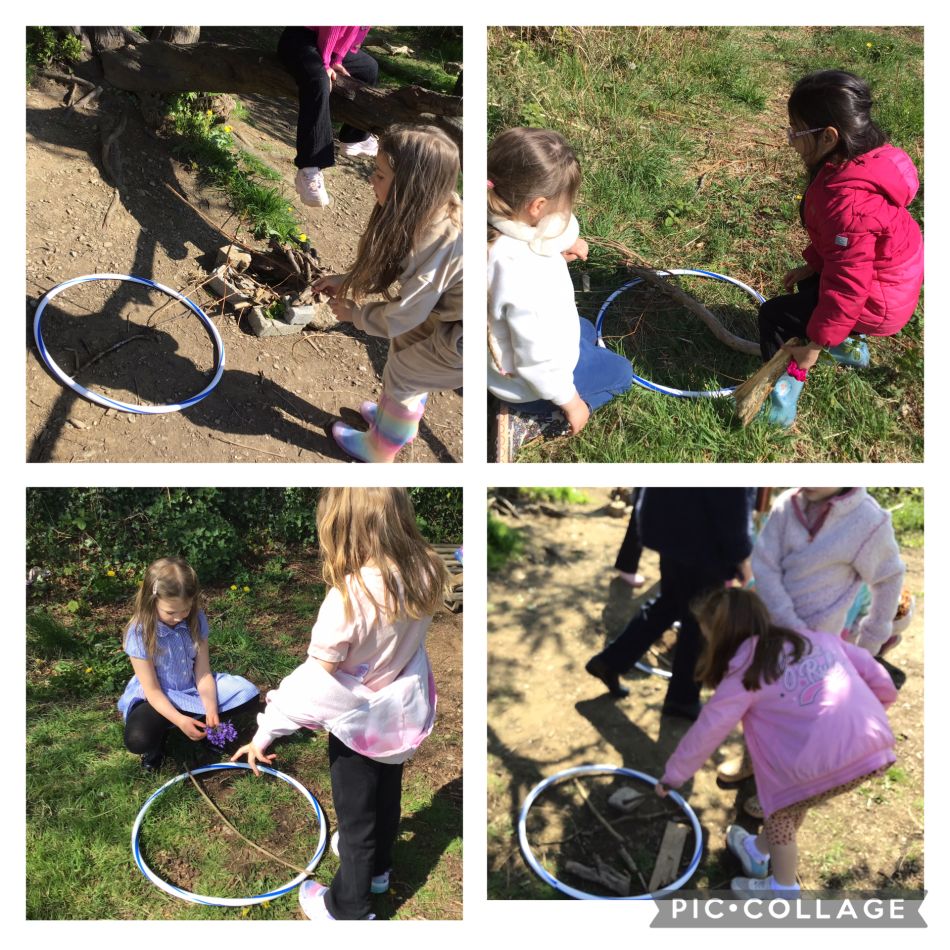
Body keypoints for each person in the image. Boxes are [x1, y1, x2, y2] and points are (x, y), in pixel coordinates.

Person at [230, 488, 448, 921]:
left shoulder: (349, 599)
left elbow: (314, 682)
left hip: (359, 728)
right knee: (386, 797)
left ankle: (349, 908)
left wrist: (265, 732)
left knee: (357, 820)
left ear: (341, 527)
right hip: (399, 718)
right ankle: (379, 871)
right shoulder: (425, 569)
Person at [655, 587, 897, 896]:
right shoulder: (814, 638)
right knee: (799, 800)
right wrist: (875, 710)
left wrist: (673, 775)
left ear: (722, 638)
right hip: (874, 746)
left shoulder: (744, 674)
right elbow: (877, 675)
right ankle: (757, 852)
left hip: (817, 764)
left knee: (781, 813)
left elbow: (708, 730)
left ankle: (782, 889)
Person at [758, 70, 923, 426]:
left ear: (829, 137)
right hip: (888, 280)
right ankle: (848, 346)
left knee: (774, 317)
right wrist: (814, 264)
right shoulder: (864, 162)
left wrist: (813, 346)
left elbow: (848, 288)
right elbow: (848, 252)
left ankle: (779, 398)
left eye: (796, 132)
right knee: (811, 286)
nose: (791, 141)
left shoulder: (849, 203)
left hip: (878, 299)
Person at [313, 125, 462, 462]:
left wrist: (357, 315)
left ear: (412, 187)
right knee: (405, 350)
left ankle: (380, 450)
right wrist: (349, 280)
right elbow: (395, 273)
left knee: (406, 373)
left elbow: (405, 314)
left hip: (475, 339)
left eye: (380, 175)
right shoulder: (430, 210)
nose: (371, 180)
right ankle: (394, 422)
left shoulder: (440, 243)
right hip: (449, 315)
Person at [487, 127, 633, 446]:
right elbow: (537, 360)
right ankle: (535, 419)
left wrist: (558, 255)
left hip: (503, 353)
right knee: (621, 372)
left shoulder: (491, 227)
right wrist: (572, 402)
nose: (566, 214)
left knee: (585, 328)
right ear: (537, 207)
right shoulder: (525, 274)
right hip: (527, 385)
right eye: (563, 207)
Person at [585, 488, 755, 719]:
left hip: (670, 526)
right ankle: (683, 698)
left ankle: (611, 662)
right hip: (705, 540)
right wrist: (741, 556)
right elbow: (730, 501)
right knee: (700, 621)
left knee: (671, 602)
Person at [117, 557, 259, 771]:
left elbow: (203, 673)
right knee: (138, 739)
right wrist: (180, 720)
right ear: (151, 601)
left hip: (192, 688)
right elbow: (152, 691)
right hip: (157, 696)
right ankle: (160, 740)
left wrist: (211, 708)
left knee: (249, 694)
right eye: (170, 612)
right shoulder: (139, 632)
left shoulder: (195, 618)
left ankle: (204, 724)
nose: (179, 617)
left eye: (185, 609)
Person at [278, 27, 379, 207]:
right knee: (319, 80)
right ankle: (309, 168)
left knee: (369, 68)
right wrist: (326, 64)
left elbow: (354, 30)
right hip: (300, 39)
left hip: (330, 46)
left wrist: (337, 59)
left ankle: (354, 137)